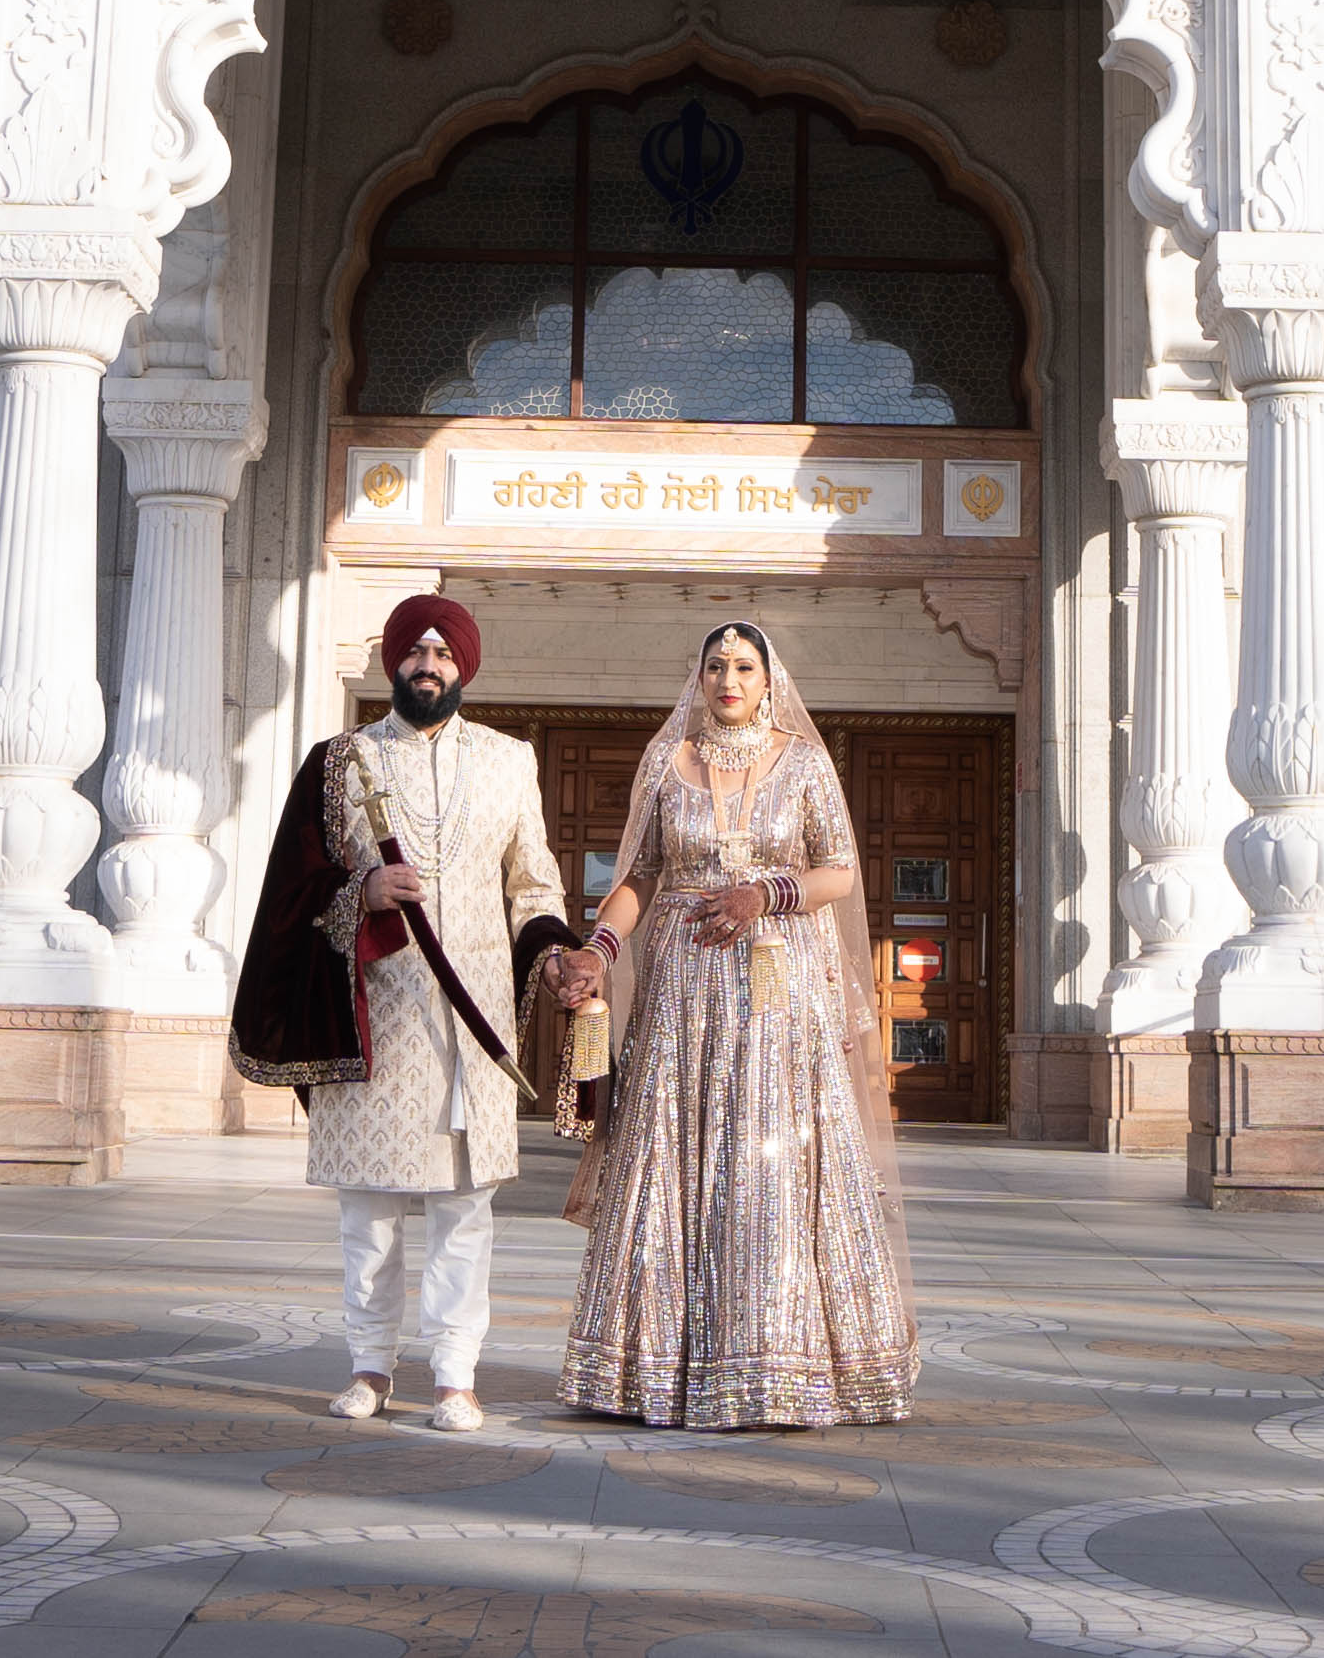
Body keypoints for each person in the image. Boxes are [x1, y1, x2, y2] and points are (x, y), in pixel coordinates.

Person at [550, 619, 916, 1427]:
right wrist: (599, 949)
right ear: (700, 675)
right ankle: (651, 1369)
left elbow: (840, 872)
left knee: (770, 1155)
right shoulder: (667, 762)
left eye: (744, 666)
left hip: (778, 991)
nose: (728, 678)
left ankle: (781, 1362)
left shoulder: (805, 759)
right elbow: (639, 874)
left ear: (768, 678)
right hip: (684, 991)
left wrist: (765, 894)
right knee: (672, 1153)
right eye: (715, 664)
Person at [225, 591, 574, 1431]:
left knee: (464, 1212)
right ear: (393, 662)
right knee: (370, 1214)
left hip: (471, 1022)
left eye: (444, 653)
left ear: (466, 665)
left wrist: (558, 948)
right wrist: (364, 888)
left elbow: (532, 882)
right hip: (371, 1022)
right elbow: (287, 890)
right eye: (416, 651)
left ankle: (456, 1375)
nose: (429, 665)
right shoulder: (338, 760)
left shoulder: (508, 759)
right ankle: (370, 1365)